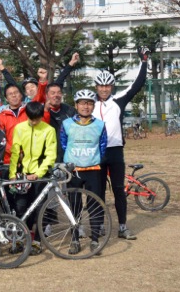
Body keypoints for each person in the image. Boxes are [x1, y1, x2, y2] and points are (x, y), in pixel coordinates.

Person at [93, 47, 149, 240]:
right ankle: (98, 225)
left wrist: (144, 61)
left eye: (107, 86)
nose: (104, 89)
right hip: (95, 153)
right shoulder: (88, 103)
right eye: (101, 86)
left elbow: (137, 84)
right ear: (96, 87)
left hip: (115, 151)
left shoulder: (119, 100)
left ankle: (123, 226)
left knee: (118, 189)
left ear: (112, 86)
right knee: (97, 191)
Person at [60, 90, 107, 254]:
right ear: (76, 105)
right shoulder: (66, 124)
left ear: (93, 105)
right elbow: (64, 144)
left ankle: (94, 240)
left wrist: (91, 160)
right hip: (74, 171)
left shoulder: (100, 124)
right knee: (74, 206)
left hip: (93, 170)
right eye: (82, 103)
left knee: (94, 205)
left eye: (89, 103)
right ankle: (74, 240)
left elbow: (102, 147)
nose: (85, 106)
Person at [8, 101, 58, 255]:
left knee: (39, 209)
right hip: (23, 174)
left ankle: (37, 241)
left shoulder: (49, 130)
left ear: (42, 116)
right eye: (30, 118)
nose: (33, 122)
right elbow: (15, 152)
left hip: (40, 175)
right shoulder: (20, 128)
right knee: (22, 208)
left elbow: (51, 155)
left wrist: (39, 173)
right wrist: (12, 174)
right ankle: (24, 238)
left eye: (36, 119)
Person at [45, 83, 77, 163]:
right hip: (47, 155)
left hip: (67, 155)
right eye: (53, 93)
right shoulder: (40, 111)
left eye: (59, 93)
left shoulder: (70, 110)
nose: (56, 95)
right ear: (46, 96)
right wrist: (45, 111)